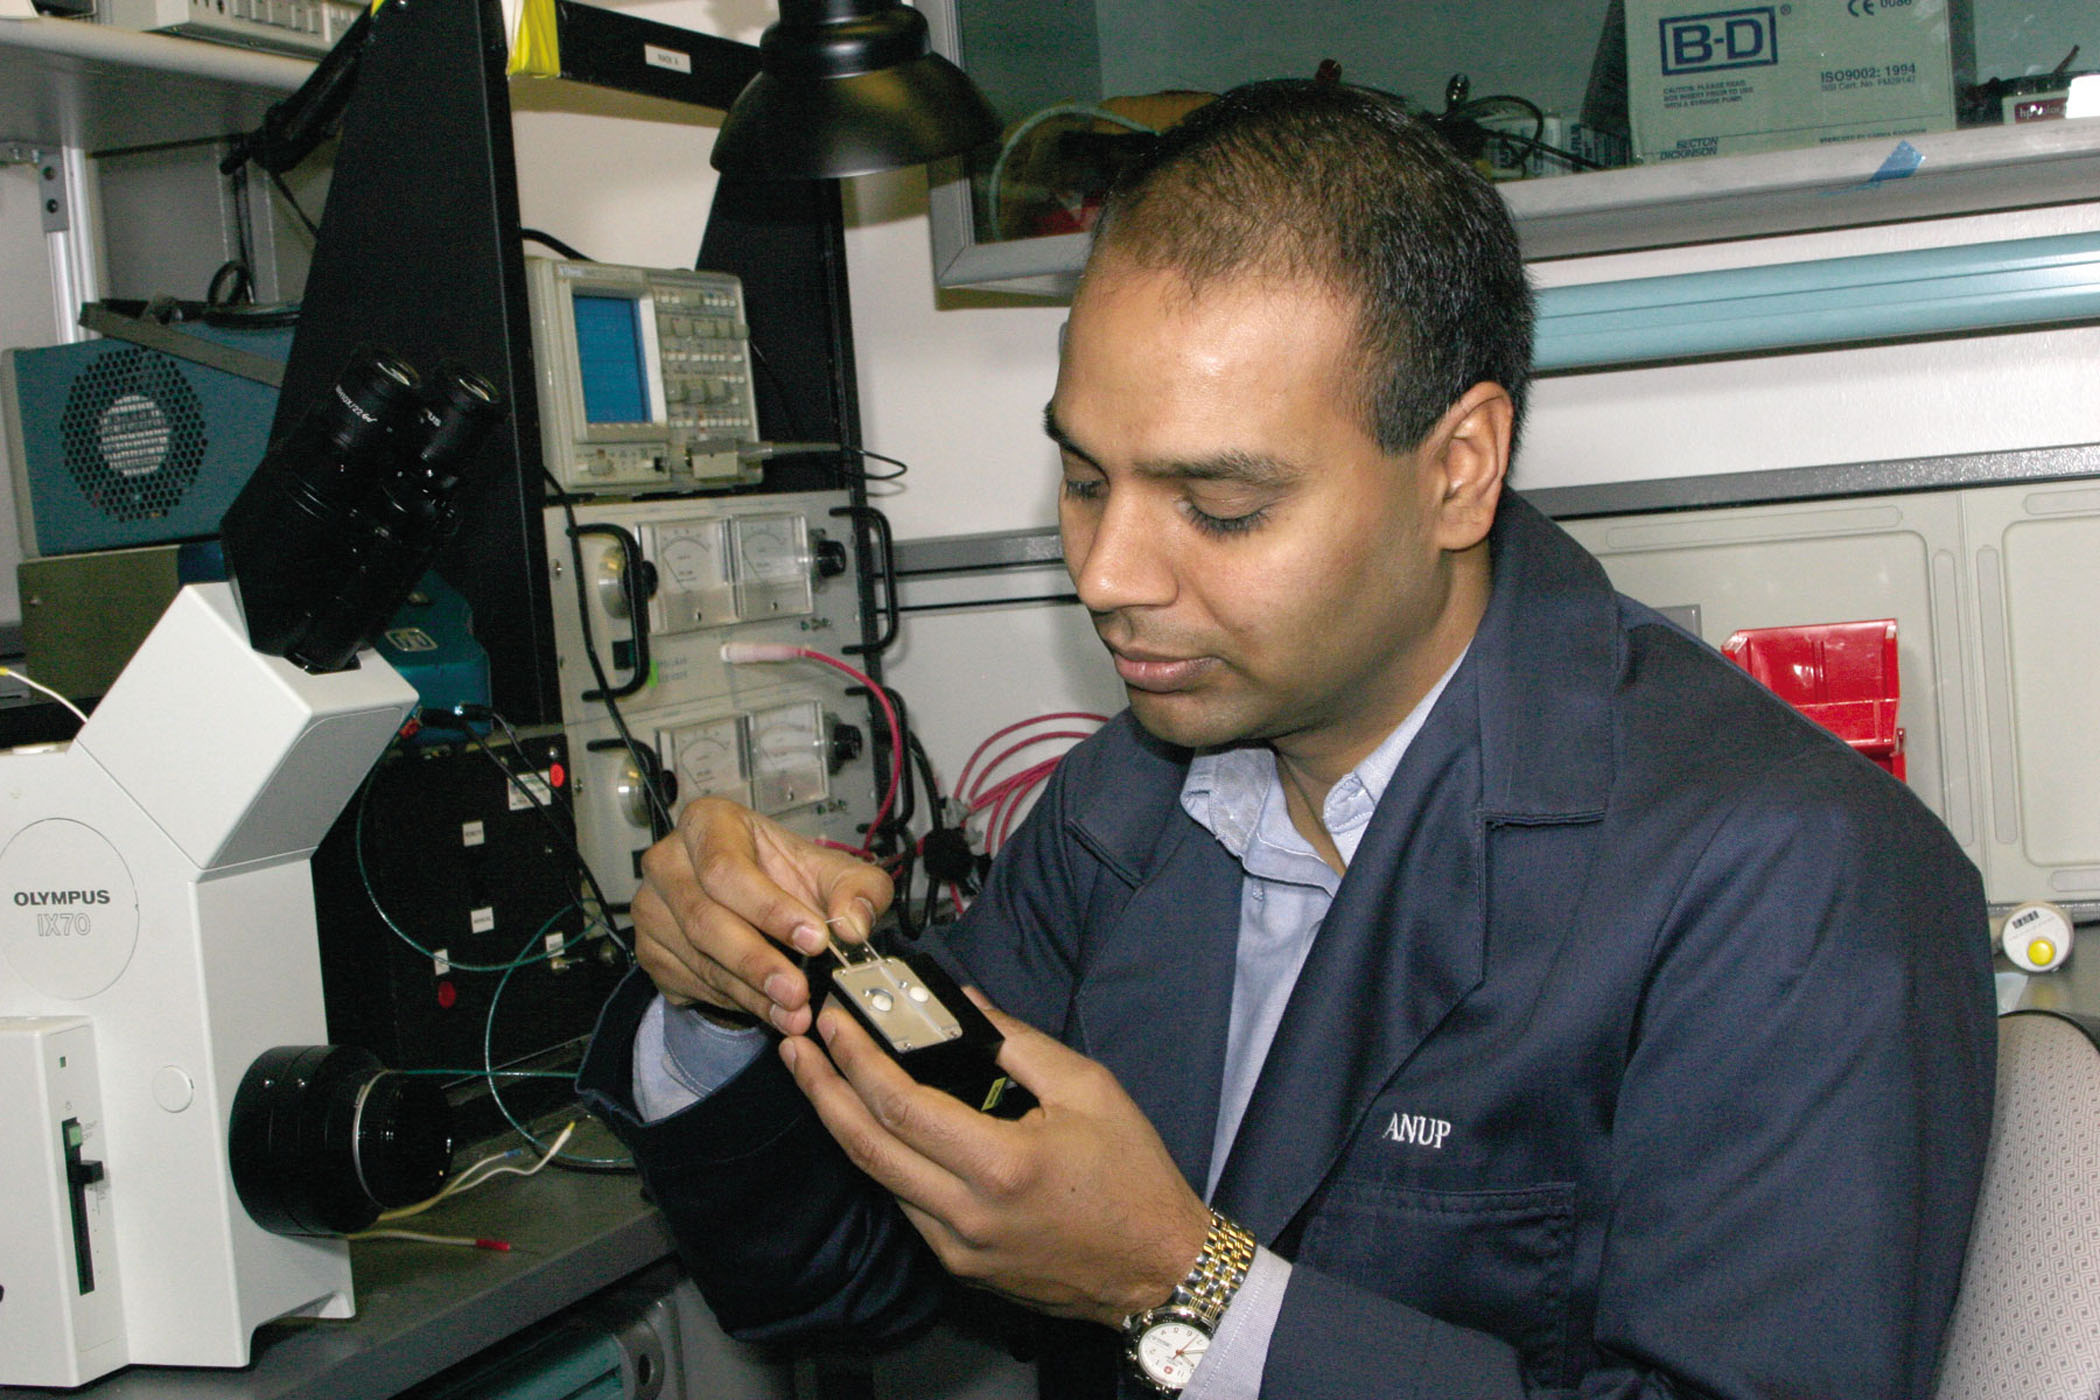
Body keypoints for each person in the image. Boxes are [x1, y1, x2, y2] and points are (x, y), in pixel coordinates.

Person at [578, 79, 1995, 1398]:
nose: (1112, 572)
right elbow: (837, 1275)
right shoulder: (1122, 810)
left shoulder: (1794, 877)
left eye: (1223, 506)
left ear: (1457, 471)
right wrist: (726, 1001)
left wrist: (1177, 1283)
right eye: (1083, 478)